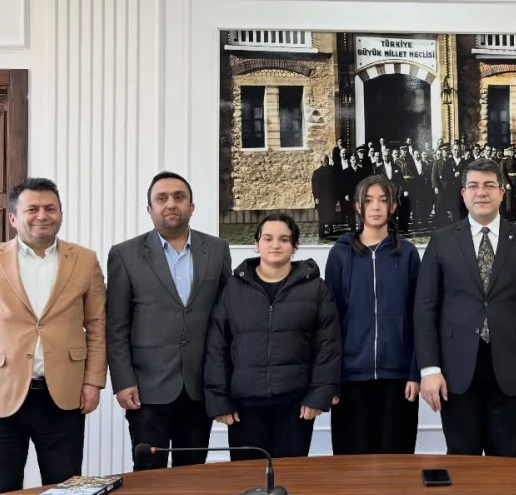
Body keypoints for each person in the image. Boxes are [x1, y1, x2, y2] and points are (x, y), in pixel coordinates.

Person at [0, 178, 107, 495]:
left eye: (50, 208)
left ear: (60, 214)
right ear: (13, 217)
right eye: (32, 209)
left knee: (65, 494)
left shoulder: (85, 260)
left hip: (64, 396)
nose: (42, 215)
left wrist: (93, 381)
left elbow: (97, 324)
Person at [414, 157, 516, 457]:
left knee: (508, 462)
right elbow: (425, 309)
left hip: (512, 370)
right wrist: (430, 369)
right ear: (463, 194)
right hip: (456, 370)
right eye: (474, 186)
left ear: (502, 192)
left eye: (489, 185)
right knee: (463, 459)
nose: (481, 192)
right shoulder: (442, 240)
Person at [106, 171, 232, 471]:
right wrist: (123, 381)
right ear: (149, 209)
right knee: (149, 475)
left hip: (199, 386)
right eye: (161, 198)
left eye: (179, 197)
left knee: (193, 473)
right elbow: (116, 326)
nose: (171, 204)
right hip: (146, 390)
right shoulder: (125, 254)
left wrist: (223, 381)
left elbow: (226, 319)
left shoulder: (217, 250)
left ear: (192, 206)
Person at [203, 213, 341, 460]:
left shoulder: (316, 289)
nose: (275, 245)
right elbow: (217, 347)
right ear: (256, 244)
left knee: (291, 477)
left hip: (295, 405)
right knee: (247, 478)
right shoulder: (233, 288)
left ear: (295, 245)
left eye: (284, 239)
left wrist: (318, 397)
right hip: (244, 406)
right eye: (267, 238)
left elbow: (328, 347)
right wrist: (219, 400)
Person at [324, 175, 421, 455]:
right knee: (352, 465)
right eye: (368, 201)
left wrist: (415, 373)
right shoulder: (340, 254)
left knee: (396, 461)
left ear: (393, 206)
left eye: (382, 200)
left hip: (398, 376)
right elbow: (330, 320)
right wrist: (331, 378)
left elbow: (419, 317)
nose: (375, 207)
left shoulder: (408, 254)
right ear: (357, 206)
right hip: (350, 377)